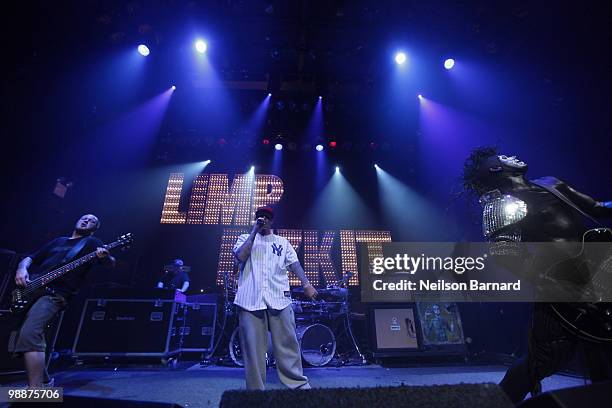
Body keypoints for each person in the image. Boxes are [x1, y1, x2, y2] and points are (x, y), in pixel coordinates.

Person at [462, 147, 612, 404]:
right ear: (494, 168)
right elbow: (506, 255)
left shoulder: (551, 184)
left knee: (602, 347)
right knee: (543, 359)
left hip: (596, 277)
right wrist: (557, 288)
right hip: (559, 287)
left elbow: (597, 208)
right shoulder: (500, 204)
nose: (512, 156)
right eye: (504, 157)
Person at [11, 214, 115, 387]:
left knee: (30, 333)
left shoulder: (92, 243)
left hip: (55, 294)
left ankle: (36, 393)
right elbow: (31, 257)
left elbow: (110, 263)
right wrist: (21, 269)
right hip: (32, 289)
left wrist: (105, 257)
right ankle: (45, 381)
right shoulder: (59, 241)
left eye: (92, 221)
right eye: (84, 218)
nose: (86, 221)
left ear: (94, 228)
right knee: (24, 335)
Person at [233, 205, 318, 390]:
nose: (263, 219)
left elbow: (295, 264)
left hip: (279, 297)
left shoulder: (282, 242)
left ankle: (297, 384)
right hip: (250, 300)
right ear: (255, 219)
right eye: (260, 217)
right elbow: (240, 257)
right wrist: (254, 231)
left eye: (267, 217)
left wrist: (306, 284)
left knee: (288, 344)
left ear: (272, 221)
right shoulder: (244, 239)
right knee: (253, 350)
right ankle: (255, 391)